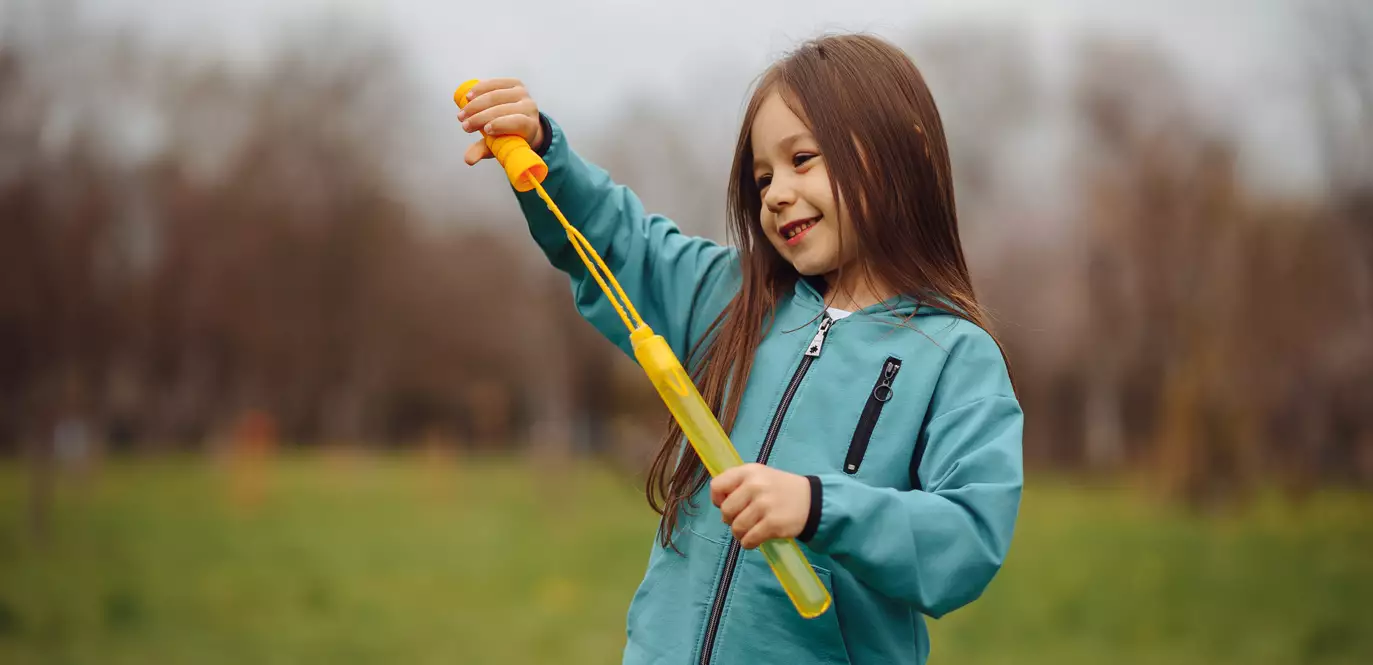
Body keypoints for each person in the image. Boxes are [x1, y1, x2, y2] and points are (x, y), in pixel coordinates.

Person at [457, 32, 1023, 665]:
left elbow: (967, 539)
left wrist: (817, 506)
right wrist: (541, 152)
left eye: (802, 159)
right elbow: (620, 242)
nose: (775, 193)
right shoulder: (731, 298)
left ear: (903, 154)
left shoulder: (953, 357)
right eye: (762, 177)